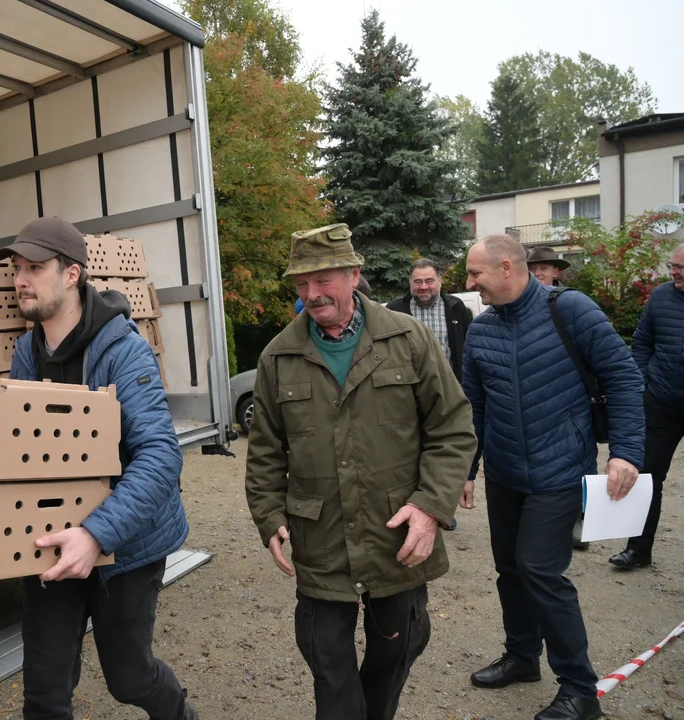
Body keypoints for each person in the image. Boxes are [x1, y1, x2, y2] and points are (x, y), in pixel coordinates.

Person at [245, 224, 477, 720]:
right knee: (327, 659)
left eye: (322, 279)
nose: (311, 294)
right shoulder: (278, 357)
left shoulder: (407, 337)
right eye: (300, 284)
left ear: (354, 275)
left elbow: (453, 427)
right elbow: (265, 452)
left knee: (398, 647)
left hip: (396, 531)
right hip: (320, 535)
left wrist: (431, 507)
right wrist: (268, 516)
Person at [0, 216, 197, 720]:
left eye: (35, 268)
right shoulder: (26, 352)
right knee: (43, 692)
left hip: (126, 545)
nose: (21, 279)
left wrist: (97, 534)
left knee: (129, 679)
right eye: (17, 268)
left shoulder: (123, 349)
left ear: (72, 274)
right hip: (50, 540)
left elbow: (159, 456)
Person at [462, 234, 645, 720]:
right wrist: (467, 470)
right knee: (510, 570)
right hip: (504, 474)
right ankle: (523, 658)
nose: (469, 283)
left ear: (506, 267)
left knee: (541, 570)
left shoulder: (573, 310)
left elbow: (624, 378)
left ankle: (581, 690)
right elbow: (472, 410)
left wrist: (625, 452)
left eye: (475, 273)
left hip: (559, 470)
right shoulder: (480, 332)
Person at [385, 258, 477, 531]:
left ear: (440, 281)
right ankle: (411, 507)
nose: (423, 287)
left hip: (447, 394)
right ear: (410, 283)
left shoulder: (457, 308)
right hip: (405, 396)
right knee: (411, 453)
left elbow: (467, 351)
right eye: (417, 282)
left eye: (429, 281)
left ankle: (441, 509)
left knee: (445, 451)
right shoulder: (394, 310)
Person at [609, 242, 684, 570]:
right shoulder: (662, 296)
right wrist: (642, 385)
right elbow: (642, 343)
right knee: (647, 478)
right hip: (662, 403)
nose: (675, 272)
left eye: (681, 267)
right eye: (673, 266)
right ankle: (638, 550)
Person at [526, 248, 588, 550]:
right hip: (536, 402)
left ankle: (580, 522)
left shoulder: (572, 305)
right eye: (533, 268)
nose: (538, 273)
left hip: (570, 401)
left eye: (544, 268)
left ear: (556, 273)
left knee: (578, 467)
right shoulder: (516, 308)